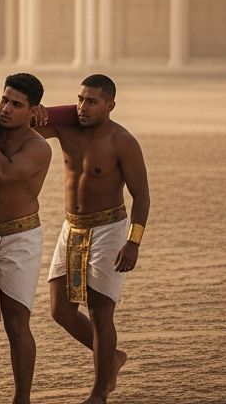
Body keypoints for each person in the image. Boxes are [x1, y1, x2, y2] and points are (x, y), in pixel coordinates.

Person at [42, 75, 149, 404]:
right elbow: (26, 127)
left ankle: (99, 392)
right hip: (71, 227)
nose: (82, 107)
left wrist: (133, 242)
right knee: (60, 310)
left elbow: (142, 196)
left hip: (109, 229)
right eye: (79, 99)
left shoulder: (122, 141)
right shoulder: (66, 129)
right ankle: (112, 357)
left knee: (101, 312)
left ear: (110, 105)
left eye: (91, 101)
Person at [0, 73, 52, 404]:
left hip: (19, 238)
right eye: (4, 100)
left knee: (17, 322)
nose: (5, 109)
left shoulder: (37, 147)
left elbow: (1, 173)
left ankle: (22, 398)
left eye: (16, 105)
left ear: (33, 111)